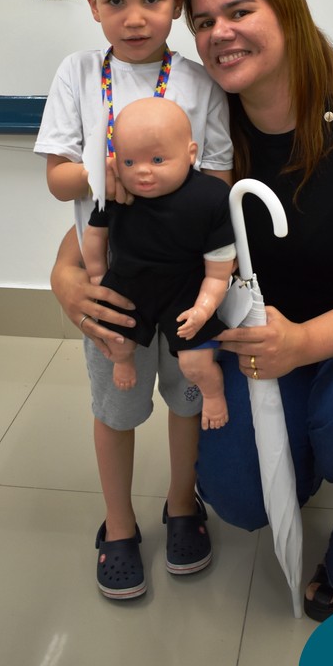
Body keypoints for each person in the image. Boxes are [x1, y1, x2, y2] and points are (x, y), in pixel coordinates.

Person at [51, 0, 333, 622]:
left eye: (239, 12)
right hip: (264, 334)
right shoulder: (207, 124)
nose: (220, 33)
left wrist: (303, 345)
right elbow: (138, 209)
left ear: (288, 12)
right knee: (239, 495)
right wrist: (65, 273)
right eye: (204, 22)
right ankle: (311, 446)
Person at [35, 0, 233, 600]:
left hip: (185, 284)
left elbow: (217, 179)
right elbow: (58, 175)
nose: (135, 17)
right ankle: (117, 523)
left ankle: (181, 504)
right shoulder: (79, 73)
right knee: (115, 406)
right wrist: (103, 174)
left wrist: (165, 184)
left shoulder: (199, 82)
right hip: (112, 282)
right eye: (115, 1)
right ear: (92, 4)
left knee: (186, 397)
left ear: (176, 1)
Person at [82, 97, 235, 429]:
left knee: (195, 365)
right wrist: (96, 276)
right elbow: (94, 234)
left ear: (191, 154)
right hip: (128, 285)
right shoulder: (117, 192)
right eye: (129, 161)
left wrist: (204, 308)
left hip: (186, 292)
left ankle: (212, 393)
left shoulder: (210, 197)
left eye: (157, 159)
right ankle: (124, 361)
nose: (142, 171)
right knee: (116, 340)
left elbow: (220, 268)